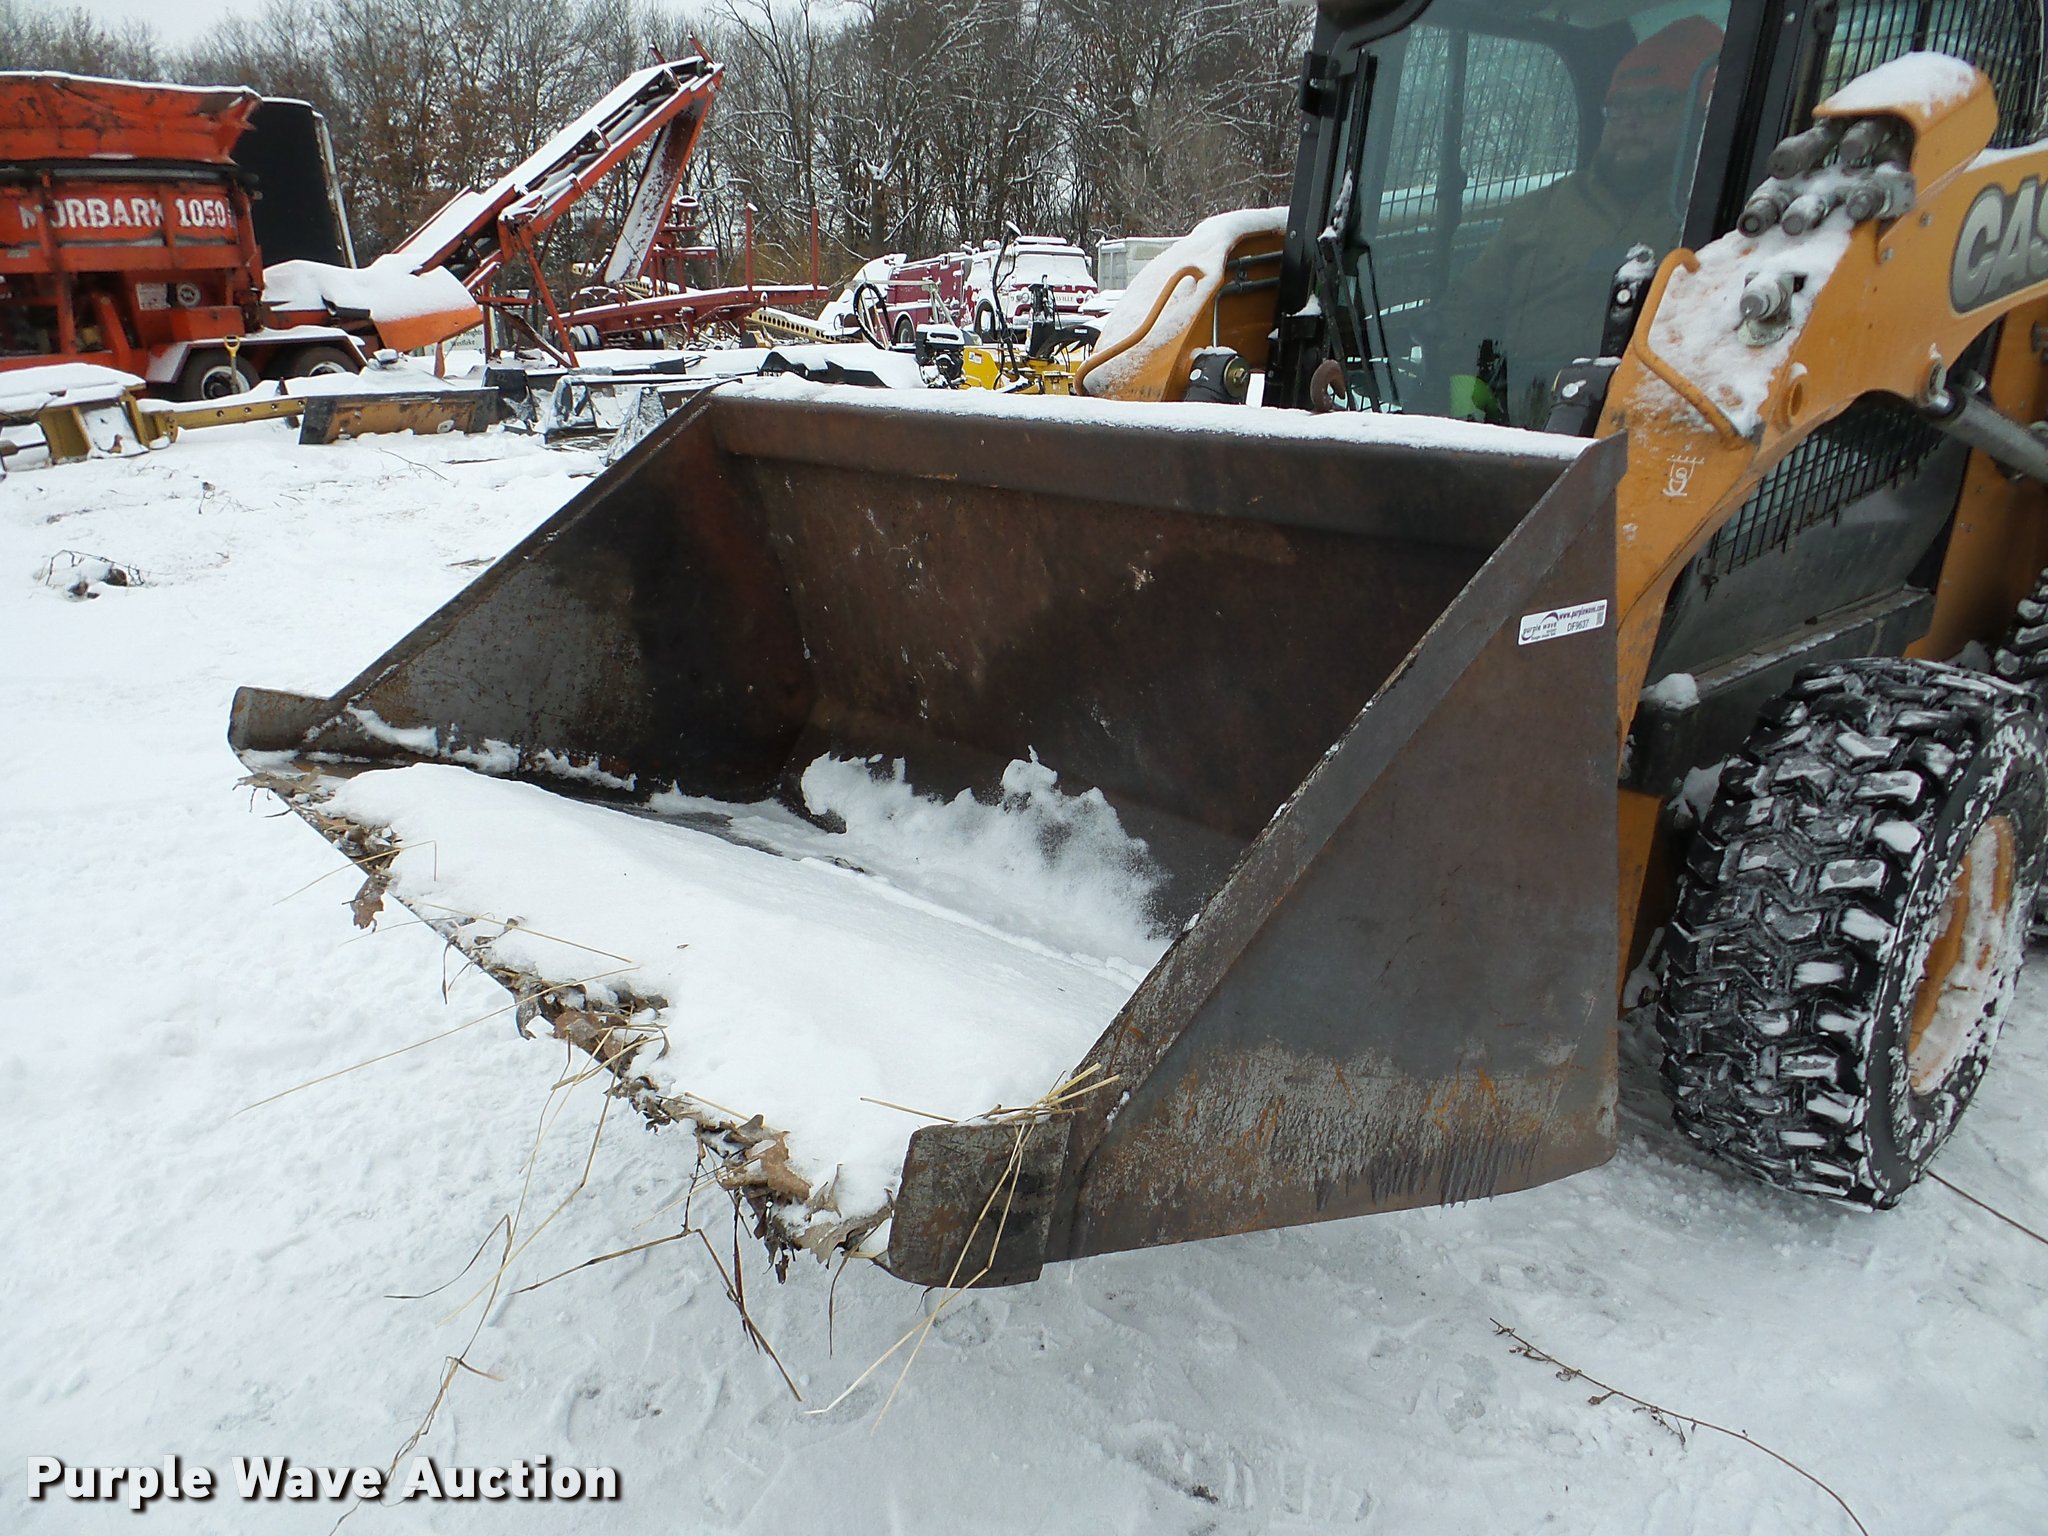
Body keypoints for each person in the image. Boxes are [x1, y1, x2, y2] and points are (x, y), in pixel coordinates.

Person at [1445, 17, 1722, 426]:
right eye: (1619, 106)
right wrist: (1473, 416)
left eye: (1656, 103)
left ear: (1701, 115)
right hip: (1523, 429)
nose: (1630, 120)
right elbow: (1464, 322)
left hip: (1651, 432)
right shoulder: (1536, 212)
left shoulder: (1713, 217)